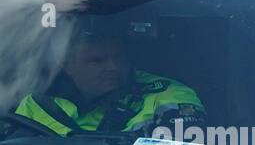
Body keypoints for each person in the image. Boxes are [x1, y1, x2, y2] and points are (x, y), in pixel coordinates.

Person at [11, 23, 204, 137]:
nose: (112, 67)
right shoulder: (38, 102)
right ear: (67, 66)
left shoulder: (168, 95)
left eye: (118, 58)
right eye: (96, 61)